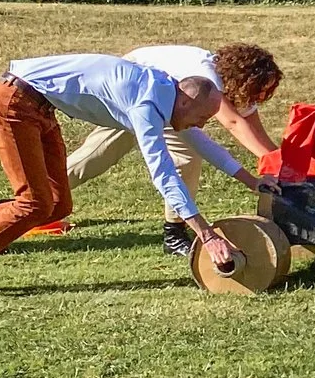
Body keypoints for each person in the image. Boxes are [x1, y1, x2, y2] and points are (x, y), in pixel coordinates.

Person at [0, 55, 242, 305]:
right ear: (186, 101)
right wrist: (207, 234)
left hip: (37, 106)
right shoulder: (147, 105)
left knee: (56, 204)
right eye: (201, 118)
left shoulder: (166, 91)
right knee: (34, 203)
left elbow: (197, 139)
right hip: (14, 103)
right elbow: (163, 174)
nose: (200, 125)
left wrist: (247, 179)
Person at [63, 43, 283, 253]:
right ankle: (41, 199)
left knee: (183, 158)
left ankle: (174, 232)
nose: (263, 96)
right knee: (97, 155)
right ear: (245, 78)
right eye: (261, 88)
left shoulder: (227, 86)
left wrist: (281, 166)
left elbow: (256, 131)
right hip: (135, 95)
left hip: (170, 105)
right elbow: (233, 123)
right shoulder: (208, 79)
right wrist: (280, 168)